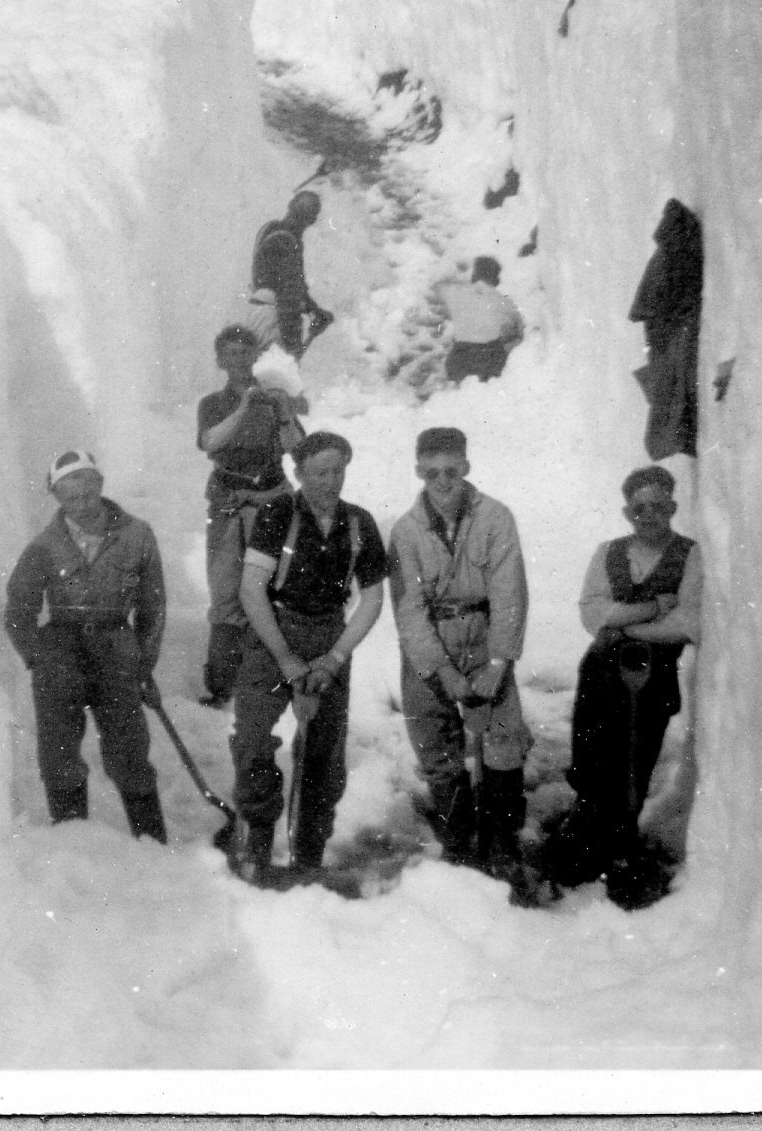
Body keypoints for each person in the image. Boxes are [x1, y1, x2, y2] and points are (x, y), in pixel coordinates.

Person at [386, 427, 540, 896]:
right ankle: (458, 839)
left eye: (451, 471)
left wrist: (498, 661)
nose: (443, 481)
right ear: (418, 472)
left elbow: (509, 592)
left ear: (466, 468)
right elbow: (408, 609)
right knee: (435, 744)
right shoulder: (406, 531)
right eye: (432, 473)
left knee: (501, 740)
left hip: (483, 634)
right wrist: (442, 670)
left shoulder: (495, 518)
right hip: (430, 642)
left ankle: (502, 843)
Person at [229, 431, 387, 882]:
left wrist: (335, 657)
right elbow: (251, 589)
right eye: (320, 472)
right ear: (299, 474)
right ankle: (256, 844)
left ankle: (309, 854)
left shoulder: (359, 523)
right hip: (273, 631)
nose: (330, 481)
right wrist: (284, 657)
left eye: (338, 471)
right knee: (254, 740)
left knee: (324, 752)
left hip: (327, 636)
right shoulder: (276, 514)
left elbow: (372, 599)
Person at [549, 465, 703, 905]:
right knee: (590, 753)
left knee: (635, 756)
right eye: (639, 508)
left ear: (672, 507)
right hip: (600, 672)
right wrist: (652, 607)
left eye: (658, 506)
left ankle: (623, 843)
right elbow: (592, 615)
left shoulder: (689, 555)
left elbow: (687, 624)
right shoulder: (608, 553)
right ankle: (586, 832)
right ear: (626, 511)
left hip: (651, 678)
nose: (648, 515)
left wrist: (627, 627)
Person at [4, 449, 169, 842]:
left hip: (116, 646)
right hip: (60, 653)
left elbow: (153, 605)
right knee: (59, 755)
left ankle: (153, 848)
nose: (81, 505)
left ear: (100, 487)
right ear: (58, 498)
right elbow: (17, 609)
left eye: (88, 494)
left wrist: (143, 664)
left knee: (129, 751)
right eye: (70, 497)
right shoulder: (44, 546)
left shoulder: (137, 535)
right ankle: (73, 847)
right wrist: (37, 657)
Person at [196, 324, 303, 707]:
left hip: (271, 501)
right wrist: (244, 406)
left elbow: (300, 450)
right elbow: (210, 443)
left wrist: (285, 414)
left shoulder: (275, 398)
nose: (239, 361)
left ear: (256, 356)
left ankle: (276, 677)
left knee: (272, 587)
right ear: (220, 361)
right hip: (228, 504)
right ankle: (222, 684)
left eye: (246, 353)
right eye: (231, 354)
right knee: (226, 591)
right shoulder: (211, 404)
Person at [253, 190, 334, 358]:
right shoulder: (287, 242)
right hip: (274, 319)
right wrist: (292, 342)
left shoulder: (269, 229)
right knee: (274, 378)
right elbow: (288, 293)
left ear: (290, 206)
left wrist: (314, 310)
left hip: (259, 312)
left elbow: (290, 287)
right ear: (312, 220)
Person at [440, 256, 524, 384]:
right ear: (496, 279)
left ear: (474, 276)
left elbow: (440, 288)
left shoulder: (455, 293)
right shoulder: (503, 301)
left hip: (458, 362)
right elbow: (519, 327)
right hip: (488, 363)